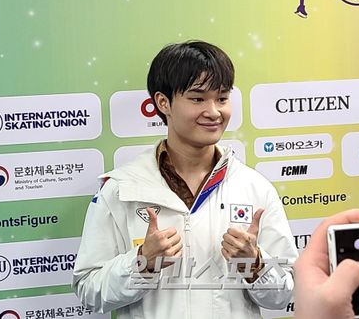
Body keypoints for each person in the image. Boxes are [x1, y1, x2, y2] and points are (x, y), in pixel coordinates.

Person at [73, 40, 298, 318]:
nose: (213, 112)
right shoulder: (121, 189)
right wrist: (142, 263)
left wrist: (255, 265)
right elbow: (88, 290)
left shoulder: (254, 187)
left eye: (222, 98)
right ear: (163, 102)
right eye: (197, 99)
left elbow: (283, 295)